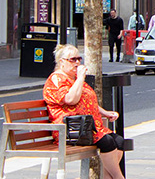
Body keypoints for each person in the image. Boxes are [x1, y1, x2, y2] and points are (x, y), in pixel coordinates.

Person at [45, 44, 126, 179]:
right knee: (107, 142)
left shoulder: (73, 79)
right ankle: (119, 177)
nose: (77, 63)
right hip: (70, 130)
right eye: (72, 60)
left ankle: (109, 177)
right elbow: (71, 99)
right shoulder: (57, 78)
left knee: (118, 141)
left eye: (79, 59)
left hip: (87, 127)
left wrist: (104, 112)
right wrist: (81, 77)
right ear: (61, 62)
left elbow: (87, 99)